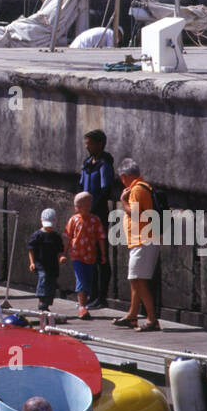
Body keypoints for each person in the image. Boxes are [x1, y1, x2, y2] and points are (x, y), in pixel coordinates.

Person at [114, 158, 160, 332]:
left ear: (124, 176)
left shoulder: (137, 190)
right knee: (136, 279)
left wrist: (123, 200)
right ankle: (132, 316)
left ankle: (152, 319)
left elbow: (136, 214)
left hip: (143, 240)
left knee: (137, 279)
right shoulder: (143, 187)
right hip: (142, 240)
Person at [78, 129, 120, 308]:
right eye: (86, 143)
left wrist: (91, 210)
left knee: (100, 255)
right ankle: (91, 293)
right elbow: (81, 185)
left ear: (100, 144)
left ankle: (101, 296)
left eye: (90, 143)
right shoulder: (87, 163)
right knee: (88, 254)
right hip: (86, 214)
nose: (87, 146)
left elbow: (105, 191)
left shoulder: (104, 164)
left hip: (98, 215)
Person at [64, 191, 107, 320]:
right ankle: (82, 307)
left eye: (87, 204)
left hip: (90, 256)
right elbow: (68, 237)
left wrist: (103, 254)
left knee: (88, 280)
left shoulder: (95, 220)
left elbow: (101, 238)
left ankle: (83, 302)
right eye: (79, 205)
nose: (77, 208)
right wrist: (63, 252)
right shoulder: (74, 220)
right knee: (81, 279)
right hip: (76, 255)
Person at [27, 208, 67, 312]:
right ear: (41, 221)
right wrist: (32, 262)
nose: (49, 228)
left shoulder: (56, 236)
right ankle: (41, 300)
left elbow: (60, 250)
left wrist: (61, 257)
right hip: (41, 264)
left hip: (52, 265)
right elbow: (31, 249)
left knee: (52, 282)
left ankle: (47, 303)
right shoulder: (37, 235)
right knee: (43, 279)